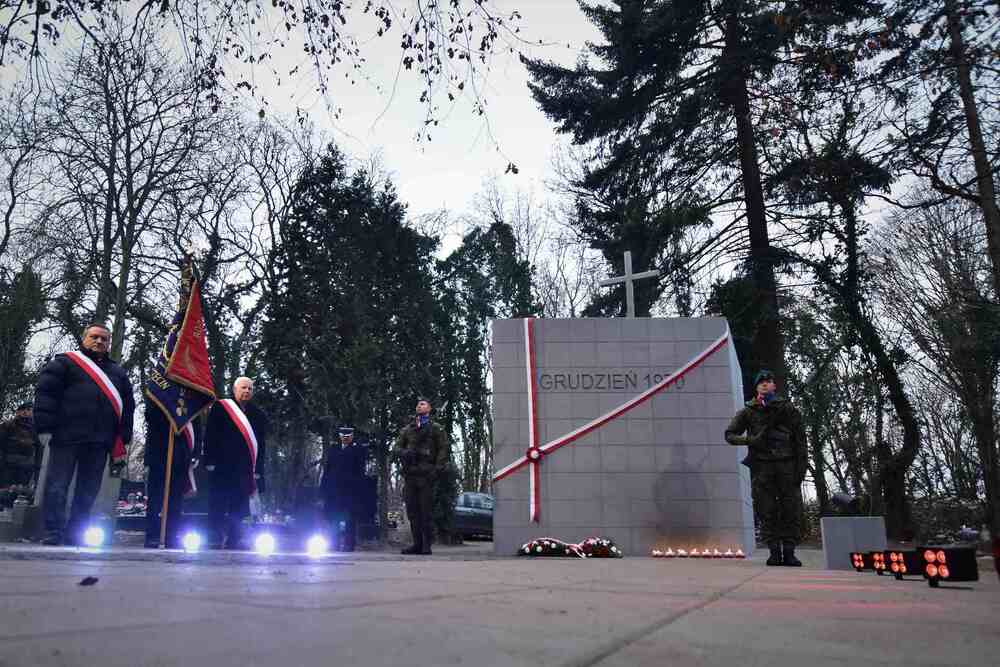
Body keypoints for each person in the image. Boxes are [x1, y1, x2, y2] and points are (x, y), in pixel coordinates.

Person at [33, 324, 135, 545]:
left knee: (88, 491)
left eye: (104, 339)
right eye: (94, 337)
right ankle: (53, 531)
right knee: (57, 486)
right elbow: (46, 394)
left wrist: (123, 438)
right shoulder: (64, 363)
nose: (99, 342)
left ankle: (75, 533)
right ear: (84, 338)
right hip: (66, 436)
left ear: (109, 343)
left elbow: (127, 407)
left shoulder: (118, 373)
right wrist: (44, 427)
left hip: (100, 441)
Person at [725, 369, 807, 566]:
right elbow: (730, 435)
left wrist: (801, 467)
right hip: (762, 467)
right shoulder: (747, 411)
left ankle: (789, 552)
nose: (764, 384)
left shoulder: (787, 409)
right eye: (760, 382)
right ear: (756, 387)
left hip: (787, 464)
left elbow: (800, 440)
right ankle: (773, 552)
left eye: (768, 381)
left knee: (791, 508)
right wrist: (750, 440)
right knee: (765, 508)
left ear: (774, 385)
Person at [203, 376, 268, 549]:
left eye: (249, 389)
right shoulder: (221, 407)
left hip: (244, 468)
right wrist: (209, 459)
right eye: (243, 388)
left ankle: (234, 538)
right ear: (235, 389)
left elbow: (261, 445)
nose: (247, 391)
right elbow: (210, 435)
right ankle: (214, 538)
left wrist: (259, 469)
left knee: (239, 506)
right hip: (222, 466)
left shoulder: (258, 415)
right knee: (217, 503)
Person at [392, 397, 450, 555]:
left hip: (426, 475)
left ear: (429, 408)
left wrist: (436, 469)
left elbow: (443, 449)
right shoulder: (408, 429)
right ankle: (416, 544)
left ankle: (426, 545)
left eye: (423, 403)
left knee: (426, 511)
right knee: (412, 511)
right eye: (418, 404)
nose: (419, 405)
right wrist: (406, 452)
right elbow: (396, 447)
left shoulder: (435, 428)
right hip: (411, 474)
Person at [143, 397, 199, 548]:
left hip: (180, 456)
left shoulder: (191, 396)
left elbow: (196, 424)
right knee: (155, 499)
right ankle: (152, 536)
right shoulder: (158, 391)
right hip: (159, 453)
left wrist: (195, 453)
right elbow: (149, 416)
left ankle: (171, 536)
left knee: (175, 500)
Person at [321, 426, 369, 552]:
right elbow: (327, 470)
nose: (345, 438)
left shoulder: (358, 450)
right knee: (333, 518)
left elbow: (360, 471)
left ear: (352, 437)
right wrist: (324, 488)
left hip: (350, 491)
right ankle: (333, 543)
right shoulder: (333, 449)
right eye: (343, 436)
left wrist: (359, 490)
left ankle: (349, 544)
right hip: (334, 490)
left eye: (348, 436)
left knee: (350, 518)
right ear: (340, 436)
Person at [0, 402, 41, 490]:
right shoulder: (8, 425)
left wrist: (37, 467)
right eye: (23, 409)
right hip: (9, 467)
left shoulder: (34, 430)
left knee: (21, 495)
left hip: (26, 469)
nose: (25, 412)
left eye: (29, 410)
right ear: (17, 412)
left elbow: (39, 449)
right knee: (5, 493)